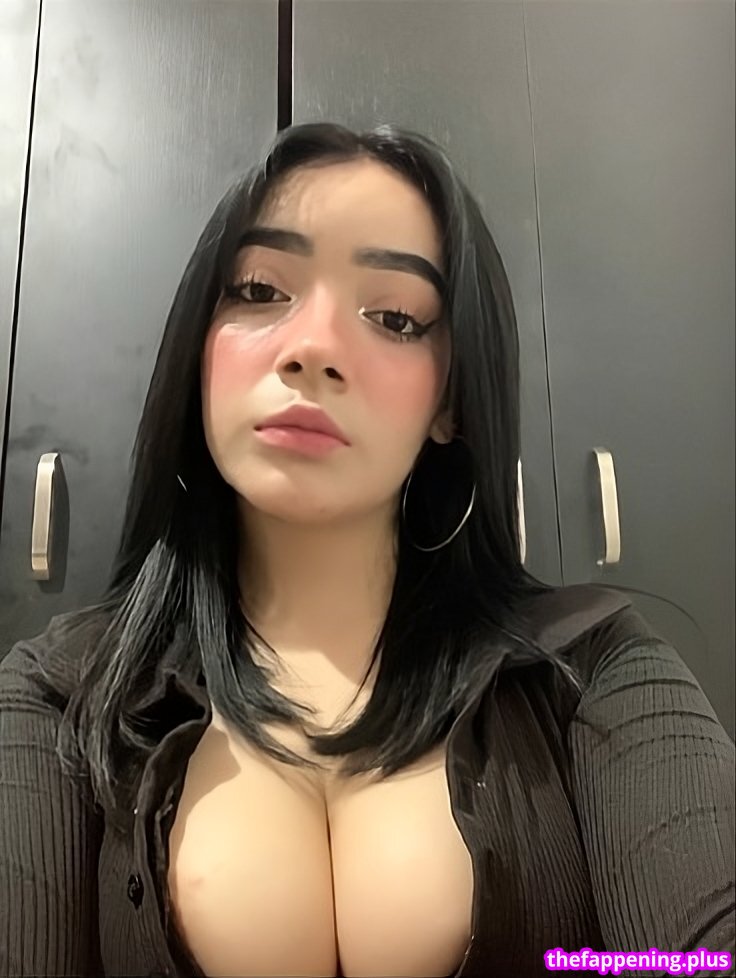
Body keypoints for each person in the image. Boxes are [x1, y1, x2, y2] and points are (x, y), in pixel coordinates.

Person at [0, 121, 733, 978]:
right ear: (200, 347)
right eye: (260, 290)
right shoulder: (58, 695)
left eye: (393, 317)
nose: (313, 347)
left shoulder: (594, 670)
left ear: (450, 401)